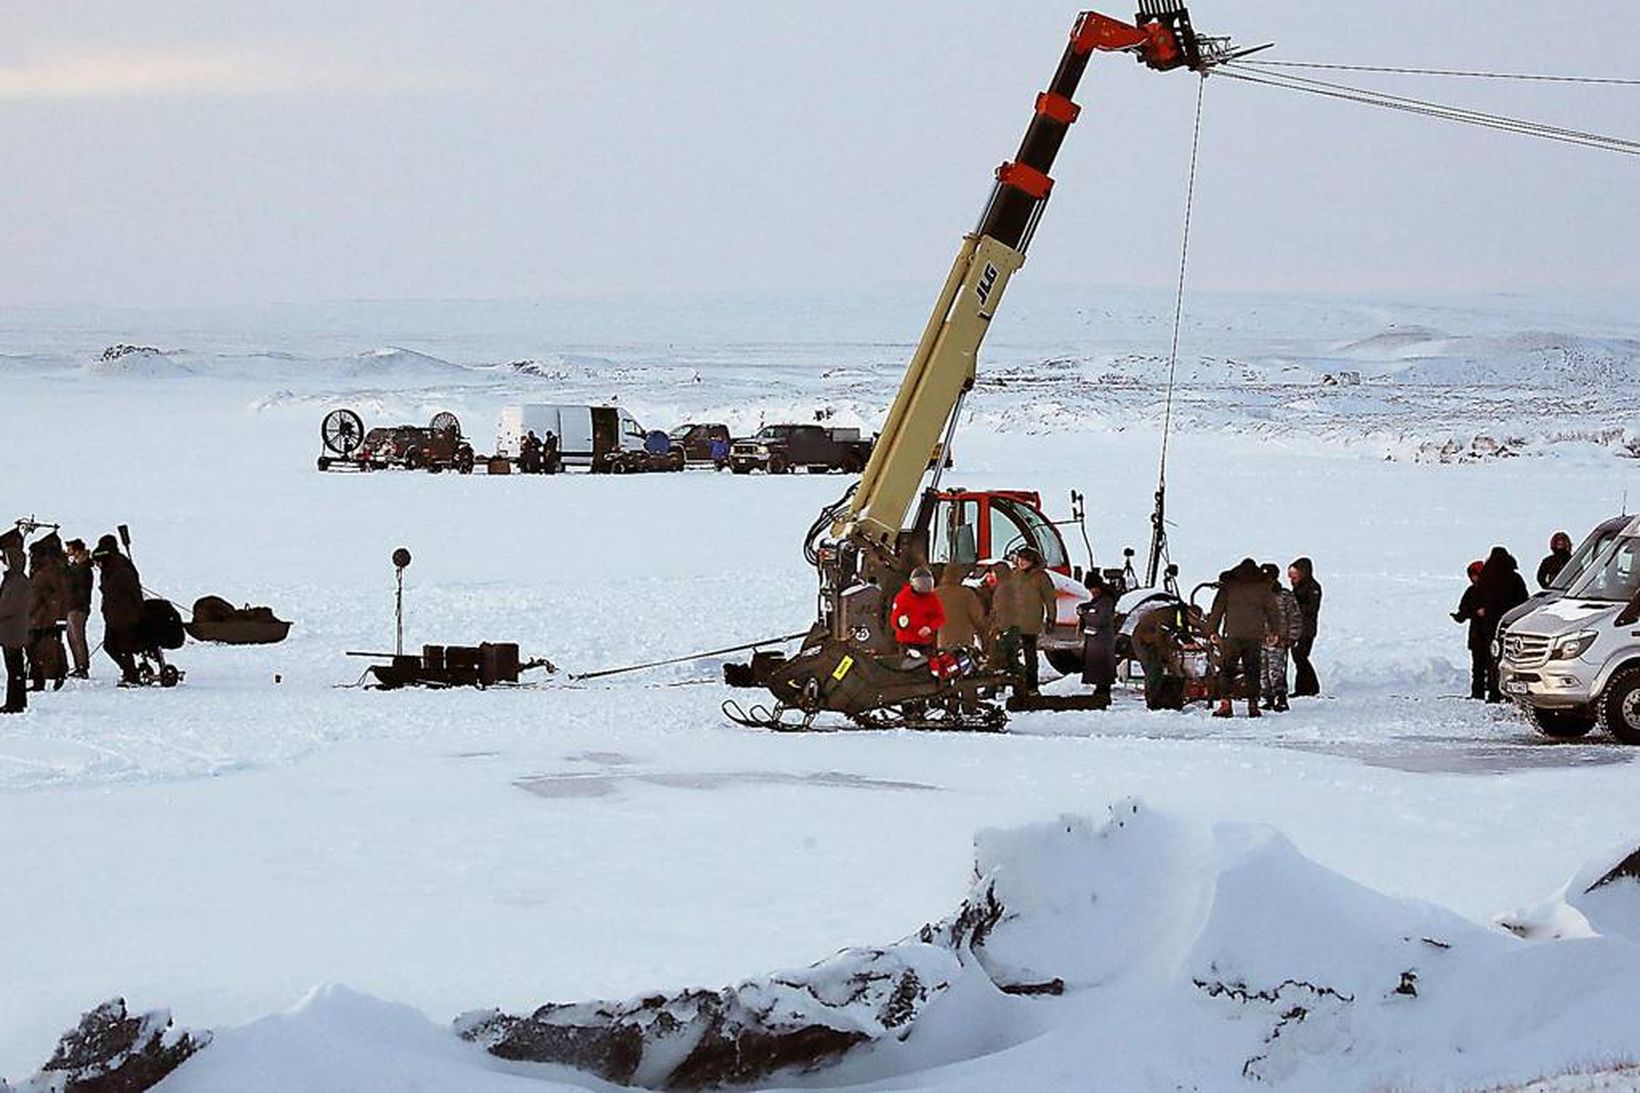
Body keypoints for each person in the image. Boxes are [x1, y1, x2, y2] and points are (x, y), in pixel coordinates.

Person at [1206, 558, 1281, 718]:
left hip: (1232, 635)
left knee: (1227, 669)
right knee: (1253, 670)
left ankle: (1225, 705)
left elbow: (1217, 609)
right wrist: (1276, 631)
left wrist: (1212, 631)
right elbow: (1273, 612)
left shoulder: (1229, 586)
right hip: (1254, 635)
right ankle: (1253, 706)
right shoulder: (1263, 588)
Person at [991, 548, 1057, 695]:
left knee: (1030, 656)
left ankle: (1032, 686)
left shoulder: (1041, 577)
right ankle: (1008, 684)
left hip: (1030, 622)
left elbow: (1050, 599)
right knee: (1007, 654)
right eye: (1019, 559)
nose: (1021, 562)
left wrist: (1051, 618)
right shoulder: (1014, 575)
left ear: (1032, 561)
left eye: (1024, 560)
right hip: (1012, 621)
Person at [1477, 545, 1529, 703]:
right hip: (1510, 622)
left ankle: (1494, 691)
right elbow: (1523, 599)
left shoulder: (1486, 578)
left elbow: (1478, 597)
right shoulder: (1514, 578)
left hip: (1491, 622)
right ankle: (1509, 691)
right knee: (1511, 657)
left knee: (1492, 657)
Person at [92, 534, 144, 686]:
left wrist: (138, 610)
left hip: (125, 614)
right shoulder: (110, 566)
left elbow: (132, 591)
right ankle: (129, 671)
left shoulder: (120, 567)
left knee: (123, 646)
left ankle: (132, 676)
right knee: (110, 646)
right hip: (113, 614)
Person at [25, 534, 68, 691]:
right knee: (45, 646)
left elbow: (36, 596)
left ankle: (48, 677)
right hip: (48, 615)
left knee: (37, 648)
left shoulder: (43, 573)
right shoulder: (52, 569)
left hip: (42, 616)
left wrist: (28, 612)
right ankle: (50, 676)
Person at [1260, 563, 1303, 713]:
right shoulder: (1257, 596)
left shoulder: (1285, 596)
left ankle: (1281, 698)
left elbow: (1295, 617)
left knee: (1276, 671)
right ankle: (1268, 698)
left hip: (1279, 640)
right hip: (1260, 640)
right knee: (1262, 673)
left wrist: (1291, 637)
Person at [1131, 600, 1188, 711]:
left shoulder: (1178, 615)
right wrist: (1167, 657)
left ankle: (1165, 699)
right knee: (1153, 669)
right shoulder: (1167, 617)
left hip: (1151, 639)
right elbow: (1160, 638)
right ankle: (1153, 702)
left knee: (1163, 669)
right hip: (1143, 641)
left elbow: (1175, 634)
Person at [1451, 560, 1490, 700]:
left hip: (1489, 634)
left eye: (1476, 575)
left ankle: (1493, 693)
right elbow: (1464, 609)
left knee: (1491, 667)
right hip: (1477, 635)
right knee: (1477, 667)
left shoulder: (1492, 590)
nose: (1474, 578)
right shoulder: (1471, 591)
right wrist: (1461, 616)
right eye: (1472, 575)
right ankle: (1477, 693)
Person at [1077, 573, 1117, 709]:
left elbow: (1101, 619)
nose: (1092, 592)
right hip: (1098, 639)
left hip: (1102, 640)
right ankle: (1100, 690)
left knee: (1102, 668)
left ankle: (1103, 692)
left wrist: (1086, 615)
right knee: (1099, 667)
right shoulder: (1100, 599)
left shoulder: (1106, 601)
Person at [0, 532, 29, 713]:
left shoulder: (18, 581)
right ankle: (16, 701)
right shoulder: (12, 580)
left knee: (15, 670)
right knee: (13, 669)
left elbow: (8, 607)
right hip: (10, 630)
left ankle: (15, 703)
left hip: (14, 631)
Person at [890, 566, 945, 658]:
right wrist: (901, 622)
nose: (924, 587)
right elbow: (894, 619)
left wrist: (929, 628)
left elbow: (940, 617)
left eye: (927, 583)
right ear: (913, 583)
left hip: (926, 643)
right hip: (907, 642)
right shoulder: (903, 597)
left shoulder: (932, 598)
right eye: (921, 583)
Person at [1288, 557, 1324, 697]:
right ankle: (1305, 687)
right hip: (1298, 628)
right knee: (1299, 658)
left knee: (1301, 657)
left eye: (1294, 575)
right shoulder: (1300, 587)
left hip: (1306, 629)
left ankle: (1309, 687)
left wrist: (1294, 606)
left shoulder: (1313, 587)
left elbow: (1311, 608)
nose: (1292, 579)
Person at [934, 564, 987, 652]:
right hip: (964, 647)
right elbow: (979, 622)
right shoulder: (967, 595)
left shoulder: (935, 594)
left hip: (942, 646)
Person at [63, 539, 93, 678]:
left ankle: (82, 667)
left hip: (78, 607)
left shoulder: (83, 568)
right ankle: (79, 665)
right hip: (73, 606)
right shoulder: (77, 567)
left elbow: (79, 588)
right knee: (72, 637)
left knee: (77, 637)